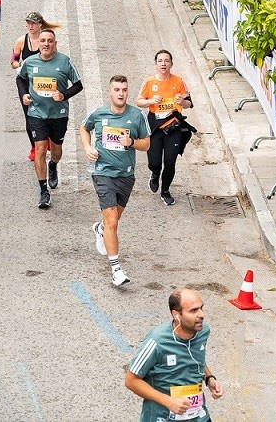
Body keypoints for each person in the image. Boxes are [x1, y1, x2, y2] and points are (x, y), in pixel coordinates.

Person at [80, 75, 151, 286]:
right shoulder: (99, 113)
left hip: (126, 175)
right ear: (109, 92)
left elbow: (146, 144)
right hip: (102, 172)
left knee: (114, 219)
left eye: (124, 90)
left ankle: (100, 229)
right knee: (112, 222)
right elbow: (84, 128)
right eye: (117, 90)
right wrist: (87, 147)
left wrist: (131, 142)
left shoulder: (137, 116)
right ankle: (116, 269)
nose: (121, 93)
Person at [126, 288, 223, 421]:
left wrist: (209, 378)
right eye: (193, 311)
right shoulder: (157, 341)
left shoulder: (203, 331)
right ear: (176, 315)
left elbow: (196, 358)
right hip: (163, 417)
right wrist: (168, 401)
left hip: (198, 415)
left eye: (201, 308)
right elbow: (131, 380)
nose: (201, 315)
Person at [17, 29, 83, 209]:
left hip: (58, 114)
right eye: (43, 41)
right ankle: (43, 190)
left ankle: (53, 165)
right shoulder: (29, 62)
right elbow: (20, 79)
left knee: (56, 150)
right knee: (39, 149)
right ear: (38, 43)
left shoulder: (65, 62)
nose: (46, 44)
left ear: (55, 44)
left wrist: (63, 95)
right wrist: (24, 95)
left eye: (50, 41)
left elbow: (78, 85)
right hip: (36, 113)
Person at [136, 50, 193, 206]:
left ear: (171, 64)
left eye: (166, 61)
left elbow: (189, 104)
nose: (163, 64)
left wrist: (182, 101)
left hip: (173, 125)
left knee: (170, 161)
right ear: (155, 65)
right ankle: (155, 174)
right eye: (160, 61)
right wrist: (150, 101)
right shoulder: (149, 82)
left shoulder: (179, 81)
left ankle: (165, 190)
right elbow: (138, 101)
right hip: (155, 125)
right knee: (154, 162)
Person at [10, 13, 60, 160]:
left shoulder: (46, 41)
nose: (31, 26)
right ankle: (34, 146)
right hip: (26, 82)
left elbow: (54, 58)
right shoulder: (21, 41)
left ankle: (47, 138)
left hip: (44, 82)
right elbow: (13, 61)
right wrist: (22, 65)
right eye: (28, 23)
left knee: (48, 113)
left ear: (40, 25)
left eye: (34, 23)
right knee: (30, 116)